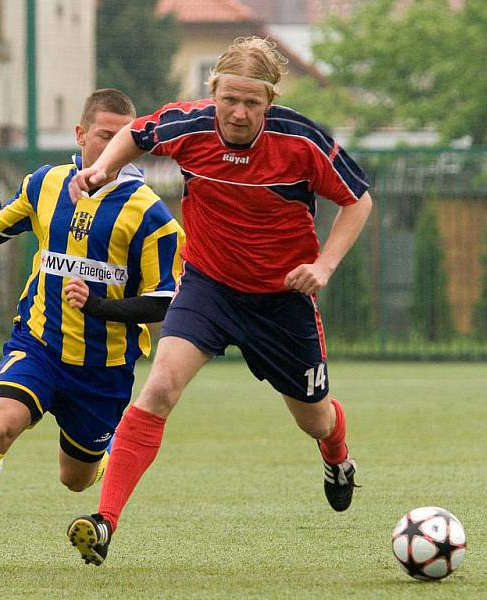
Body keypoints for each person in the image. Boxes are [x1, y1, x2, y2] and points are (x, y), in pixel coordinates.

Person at [66, 37, 374, 566]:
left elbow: (358, 200)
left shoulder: (301, 141)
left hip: (281, 301)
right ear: (213, 92)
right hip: (208, 286)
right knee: (159, 386)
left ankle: (336, 454)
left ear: (270, 102)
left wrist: (323, 266)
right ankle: (105, 521)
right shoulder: (189, 124)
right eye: (229, 98)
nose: (238, 112)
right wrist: (103, 170)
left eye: (252, 103)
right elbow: (134, 134)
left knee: (315, 420)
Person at [0, 88, 184, 573]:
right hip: (39, 344)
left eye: (124, 137)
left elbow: (165, 302)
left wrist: (97, 306)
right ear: (80, 135)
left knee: (74, 479)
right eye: (104, 134)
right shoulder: (44, 184)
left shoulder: (151, 214)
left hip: (104, 369)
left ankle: (99, 453)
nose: (114, 144)